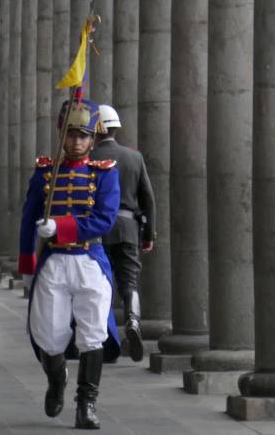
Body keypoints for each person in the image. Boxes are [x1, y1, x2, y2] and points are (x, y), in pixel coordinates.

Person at [18, 97, 120, 429]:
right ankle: (56, 378)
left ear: (94, 138)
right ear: (61, 132)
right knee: (49, 333)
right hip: (54, 263)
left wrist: (61, 227)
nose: (77, 142)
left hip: (89, 259)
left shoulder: (104, 175)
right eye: (71, 134)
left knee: (93, 334)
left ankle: (86, 404)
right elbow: (28, 217)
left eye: (84, 136)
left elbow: (104, 219)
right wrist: (27, 263)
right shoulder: (46, 173)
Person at [91, 105, 156, 363]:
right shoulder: (134, 157)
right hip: (129, 228)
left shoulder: (90, 156)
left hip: (97, 229)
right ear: (116, 128)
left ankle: (106, 338)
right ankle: (133, 320)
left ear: (96, 128)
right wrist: (148, 234)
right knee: (129, 281)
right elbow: (148, 199)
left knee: (100, 284)